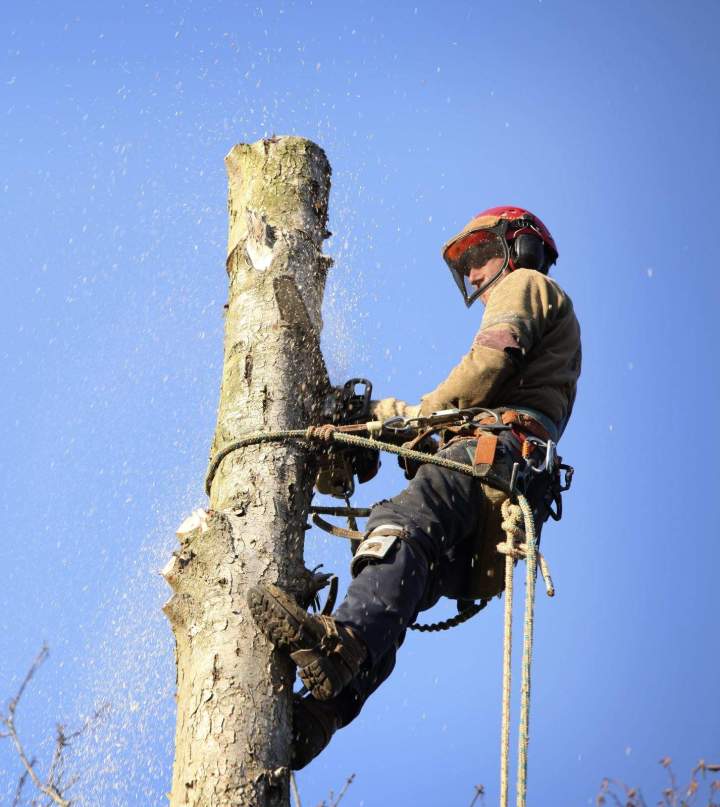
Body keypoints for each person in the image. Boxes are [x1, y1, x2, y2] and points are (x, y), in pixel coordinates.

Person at [247, 205, 582, 769]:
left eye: (481, 257)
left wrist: (417, 419)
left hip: (492, 458)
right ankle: (323, 714)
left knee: (396, 526)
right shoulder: (533, 358)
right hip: (496, 505)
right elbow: (445, 415)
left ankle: (339, 648)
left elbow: (484, 366)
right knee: (402, 579)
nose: (475, 276)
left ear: (520, 248)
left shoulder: (528, 285)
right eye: (466, 267)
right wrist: (371, 422)